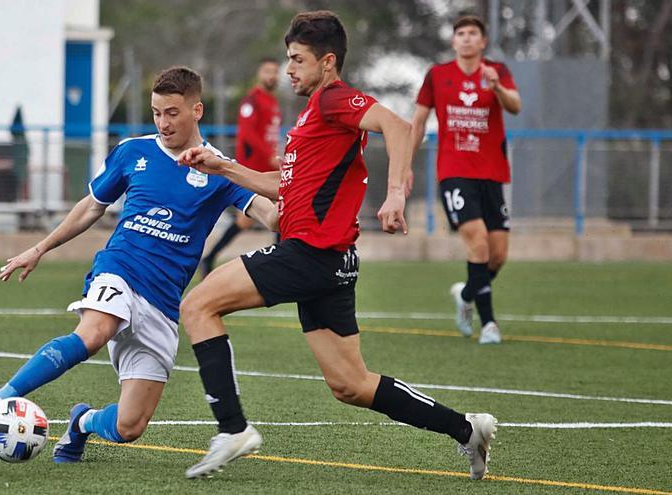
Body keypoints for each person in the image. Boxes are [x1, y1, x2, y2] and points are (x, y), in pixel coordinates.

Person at [177, 11, 497, 481]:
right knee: (351, 385)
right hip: (331, 263)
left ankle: (232, 429)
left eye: (297, 59)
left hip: (310, 254)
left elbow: (397, 124)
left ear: (328, 62)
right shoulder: (312, 116)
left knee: (197, 306)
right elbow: (279, 186)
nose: (289, 69)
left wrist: (395, 194)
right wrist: (221, 166)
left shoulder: (334, 100)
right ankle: (467, 428)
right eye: (288, 59)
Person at [0, 67, 277, 463]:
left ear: (197, 110)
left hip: (163, 300)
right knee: (94, 331)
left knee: (129, 426)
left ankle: (81, 423)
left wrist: (307, 183)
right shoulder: (133, 152)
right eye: (157, 112)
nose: (163, 122)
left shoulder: (219, 168)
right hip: (120, 267)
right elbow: (91, 205)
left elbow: (272, 215)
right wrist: (40, 248)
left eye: (172, 113)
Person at [411, 15, 522, 345]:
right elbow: (418, 121)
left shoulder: (496, 72)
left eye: (473, 33)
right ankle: (489, 324)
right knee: (478, 241)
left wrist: (497, 87)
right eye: (461, 33)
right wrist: (405, 165)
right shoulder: (437, 75)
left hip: (492, 173)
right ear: (453, 41)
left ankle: (467, 293)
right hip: (454, 171)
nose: (467, 38)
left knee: (498, 255)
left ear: (483, 41)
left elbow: (516, 106)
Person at [200, 57, 282, 277]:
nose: (271, 76)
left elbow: (268, 136)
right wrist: (270, 156)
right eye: (267, 71)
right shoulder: (252, 101)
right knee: (268, 218)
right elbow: (248, 135)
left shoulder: (272, 102)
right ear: (259, 73)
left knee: (278, 215)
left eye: (275, 71)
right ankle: (209, 258)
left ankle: (209, 259)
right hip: (254, 171)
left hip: (269, 171)